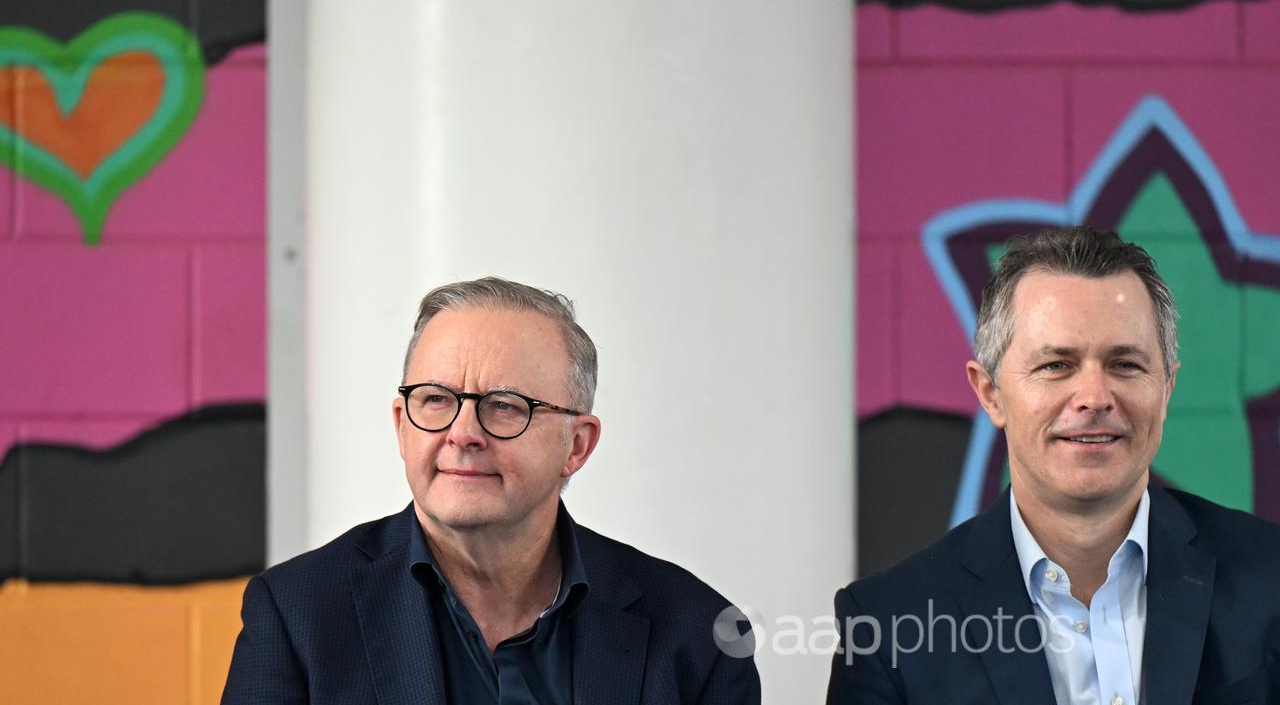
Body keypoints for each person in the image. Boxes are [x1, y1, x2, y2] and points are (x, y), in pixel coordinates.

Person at [223, 277, 760, 704]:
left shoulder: (697, 632)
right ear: (401, 426)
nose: (462, 433)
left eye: (504, 406)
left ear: (576, 445)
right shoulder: (298, 614)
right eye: (435, 399)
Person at [827, 227, 1280, 704]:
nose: (1094, 398)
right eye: (1056, 365)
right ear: (991, 393)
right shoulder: (889, 627)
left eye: (1125, 364)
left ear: (1165, 389)